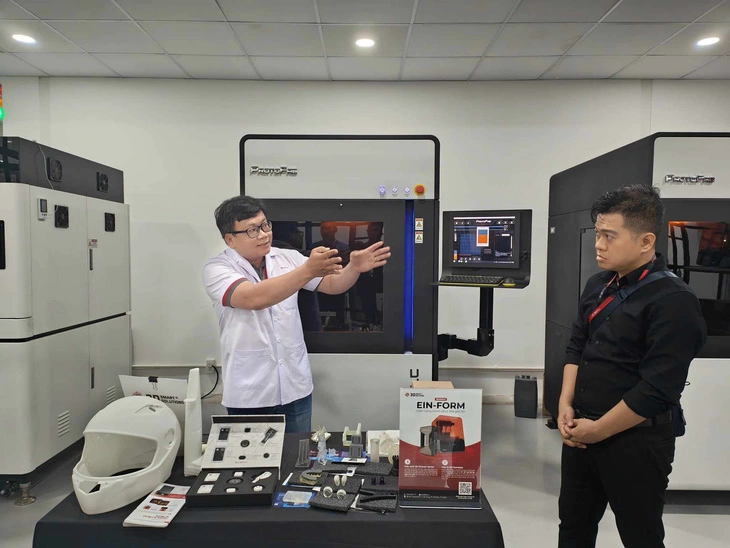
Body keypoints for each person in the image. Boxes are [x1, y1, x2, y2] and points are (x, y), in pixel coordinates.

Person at [557, 185, 706, 548]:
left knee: (640, 534)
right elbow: (577, 346)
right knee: (573, 526)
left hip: (635, 441)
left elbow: (658, 389)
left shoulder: (674, 301)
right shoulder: (597, 285)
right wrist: (565, 404)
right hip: (581, 431)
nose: (599, 245)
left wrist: (599, 431)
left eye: (610, 236)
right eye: (597, 234)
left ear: (646, 241)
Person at [202, 196, 390, 433]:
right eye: (252, 230)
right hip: (250, 393)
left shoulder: (287, 257)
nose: (263, 234)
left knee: (296, 460)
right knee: (251, 464)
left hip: (294, 388)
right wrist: (307, 270)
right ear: (230, 239)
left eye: (264, 225)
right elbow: (253, 298)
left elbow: (332, 285)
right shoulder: (217, 268)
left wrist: (353, 268)